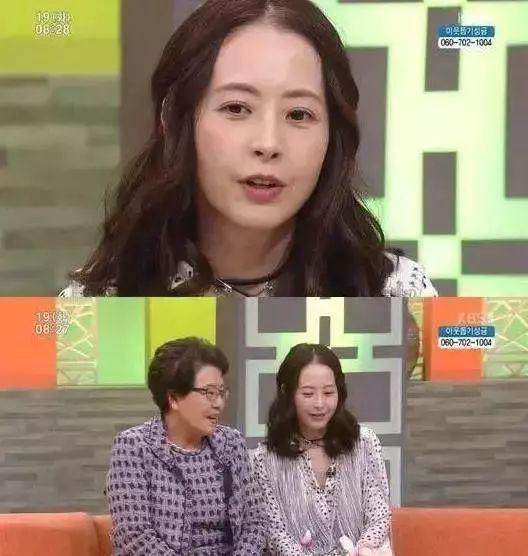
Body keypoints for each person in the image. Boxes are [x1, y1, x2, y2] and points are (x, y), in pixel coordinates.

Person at [60, 0, 437, 298]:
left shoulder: (395, 294)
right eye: (237, 109)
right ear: (174, 118)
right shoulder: (102, 302)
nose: (268, 144)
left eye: (299, 114)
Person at [106, 337, 265, 555]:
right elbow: (135, 535)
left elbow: (255, 522)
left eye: (221, 393)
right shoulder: (134, 447)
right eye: (209, 393)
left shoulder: (231, 444)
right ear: (173, 398)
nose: (218, 403)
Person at [251, 343, 393, 555]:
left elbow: (379, 515)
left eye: (328, 393)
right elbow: (275, 533)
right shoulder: (264, 460)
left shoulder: (364, 443)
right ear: (287, 393)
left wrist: (362, 550)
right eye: (308, 394)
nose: (319, 404)